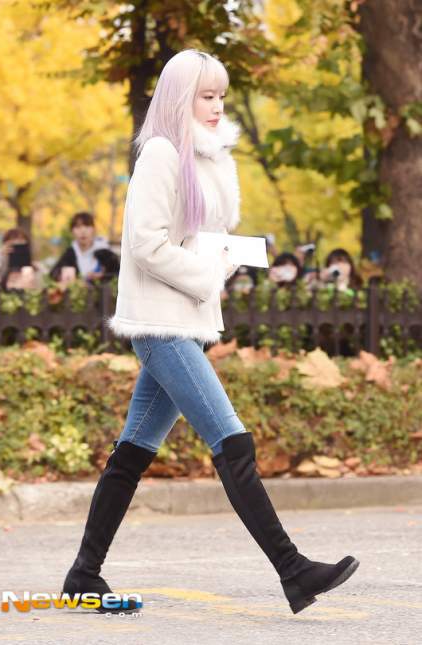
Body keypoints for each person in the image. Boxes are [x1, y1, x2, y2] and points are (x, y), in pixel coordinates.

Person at [62, 49, 359, 615]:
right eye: (206, 95)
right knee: (232, 440)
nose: (218, 105)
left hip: (183, 322)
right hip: (162, 326)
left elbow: (191, 235)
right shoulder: (160, 153)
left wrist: (224, 253)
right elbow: (146, 243)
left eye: (221, 95)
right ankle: (294, 570)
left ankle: (82, 574)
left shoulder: (203, 157)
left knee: (132, 453)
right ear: (181, 97)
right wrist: (208, 268)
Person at [49, 212, 120, 284]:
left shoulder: (105, 252)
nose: (83, 231)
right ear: (72, 231)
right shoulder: (70, 253)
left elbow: (118, 274)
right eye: (78, 227)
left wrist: (102, 276)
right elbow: (53, 273)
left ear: (94, 229)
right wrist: (62, 276)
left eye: (87, 226)